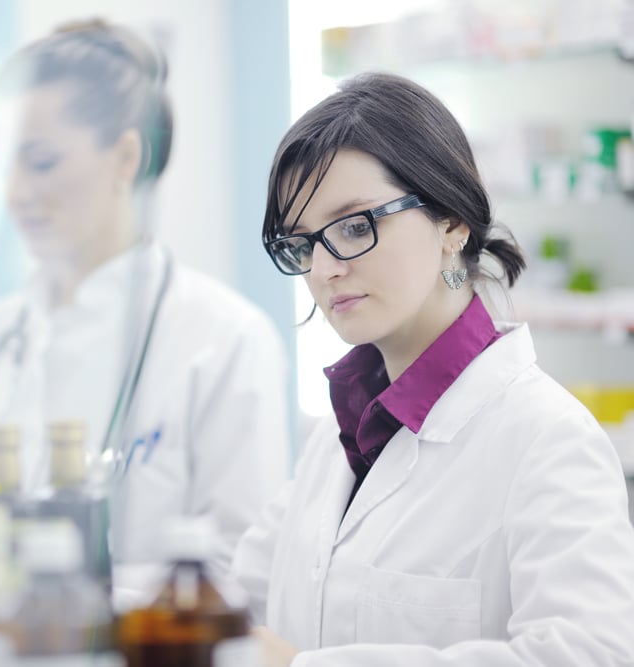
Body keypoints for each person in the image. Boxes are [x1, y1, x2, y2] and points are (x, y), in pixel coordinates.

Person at [232, 72, 634, 666]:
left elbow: (591, 654)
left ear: (450, 222)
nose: (324, 268)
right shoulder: (343, 431)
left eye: (353, 226)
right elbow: (235, 598)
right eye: (302, 243)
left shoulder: (549, 441)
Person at [0, 20, 290, 601]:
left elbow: (243, 572)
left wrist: (73, 596)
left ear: (125, 157)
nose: (14, 191)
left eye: (40, 161)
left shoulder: (223, 336)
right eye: (3, 163)